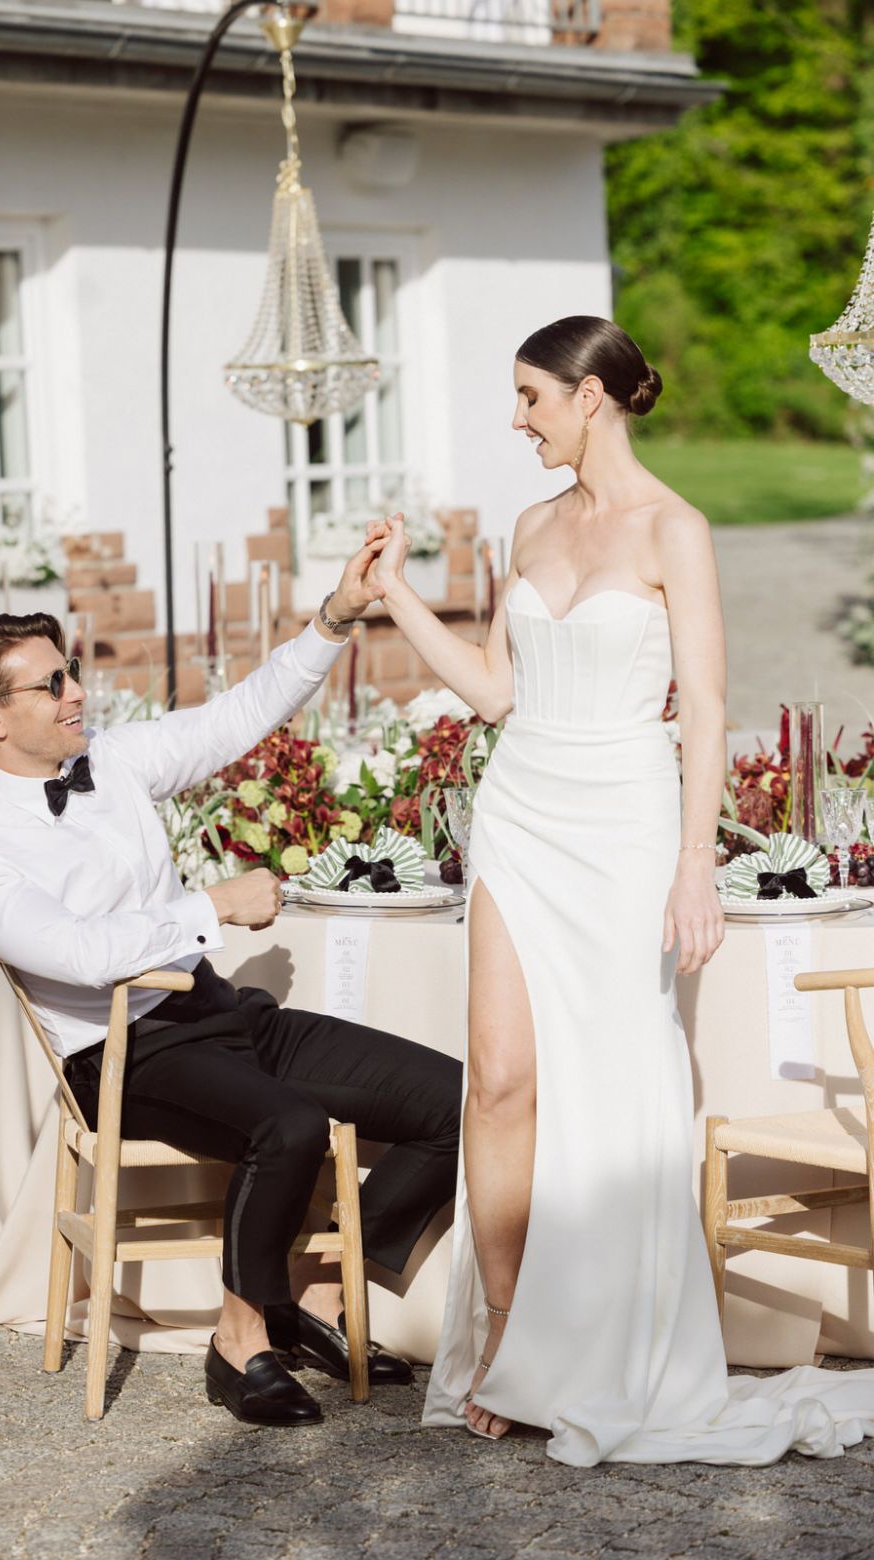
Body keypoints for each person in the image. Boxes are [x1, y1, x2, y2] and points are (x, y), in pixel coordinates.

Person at [367, 315, 874, 1463]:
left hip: (627, 823)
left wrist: (695, 866)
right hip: (521, 812)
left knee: (617, 1084)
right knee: (497, 1080)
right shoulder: (529, 524)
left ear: (588, 397)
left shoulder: (674, 529)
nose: (516, 420)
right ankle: (502, 1338)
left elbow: (701, 708)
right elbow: (496, 690)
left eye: (529, 398)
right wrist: (396, 594)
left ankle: (596, 1346)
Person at [0, 540, 461, 1429]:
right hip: (119, 1051)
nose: (77, 695)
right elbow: (80, 952)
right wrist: (209, 904)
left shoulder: (117, 761)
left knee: (457, 1102)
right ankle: (239, 1341)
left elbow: (240, 715)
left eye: (71, 675)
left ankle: (315, 1293)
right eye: (51, 686)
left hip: (217, 1014)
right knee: (288, 1127)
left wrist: (337, 614)